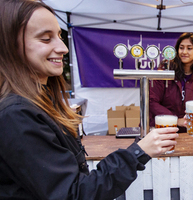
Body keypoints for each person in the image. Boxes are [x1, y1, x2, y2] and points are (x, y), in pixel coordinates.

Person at [0, 0, 178, 199]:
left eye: (59, 36)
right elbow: (74, 194)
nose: (63, 48)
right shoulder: (16, 115)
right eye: (45, 39)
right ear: (10, 44)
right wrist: (138, 152)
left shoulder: (40, 100)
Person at [149, 32, 193, 133]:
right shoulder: (165, 71)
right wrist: (175, 120)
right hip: (161, 129)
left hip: (188, 132)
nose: (184, 52)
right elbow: (151, 101)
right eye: (181, 48)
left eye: (189, 48)